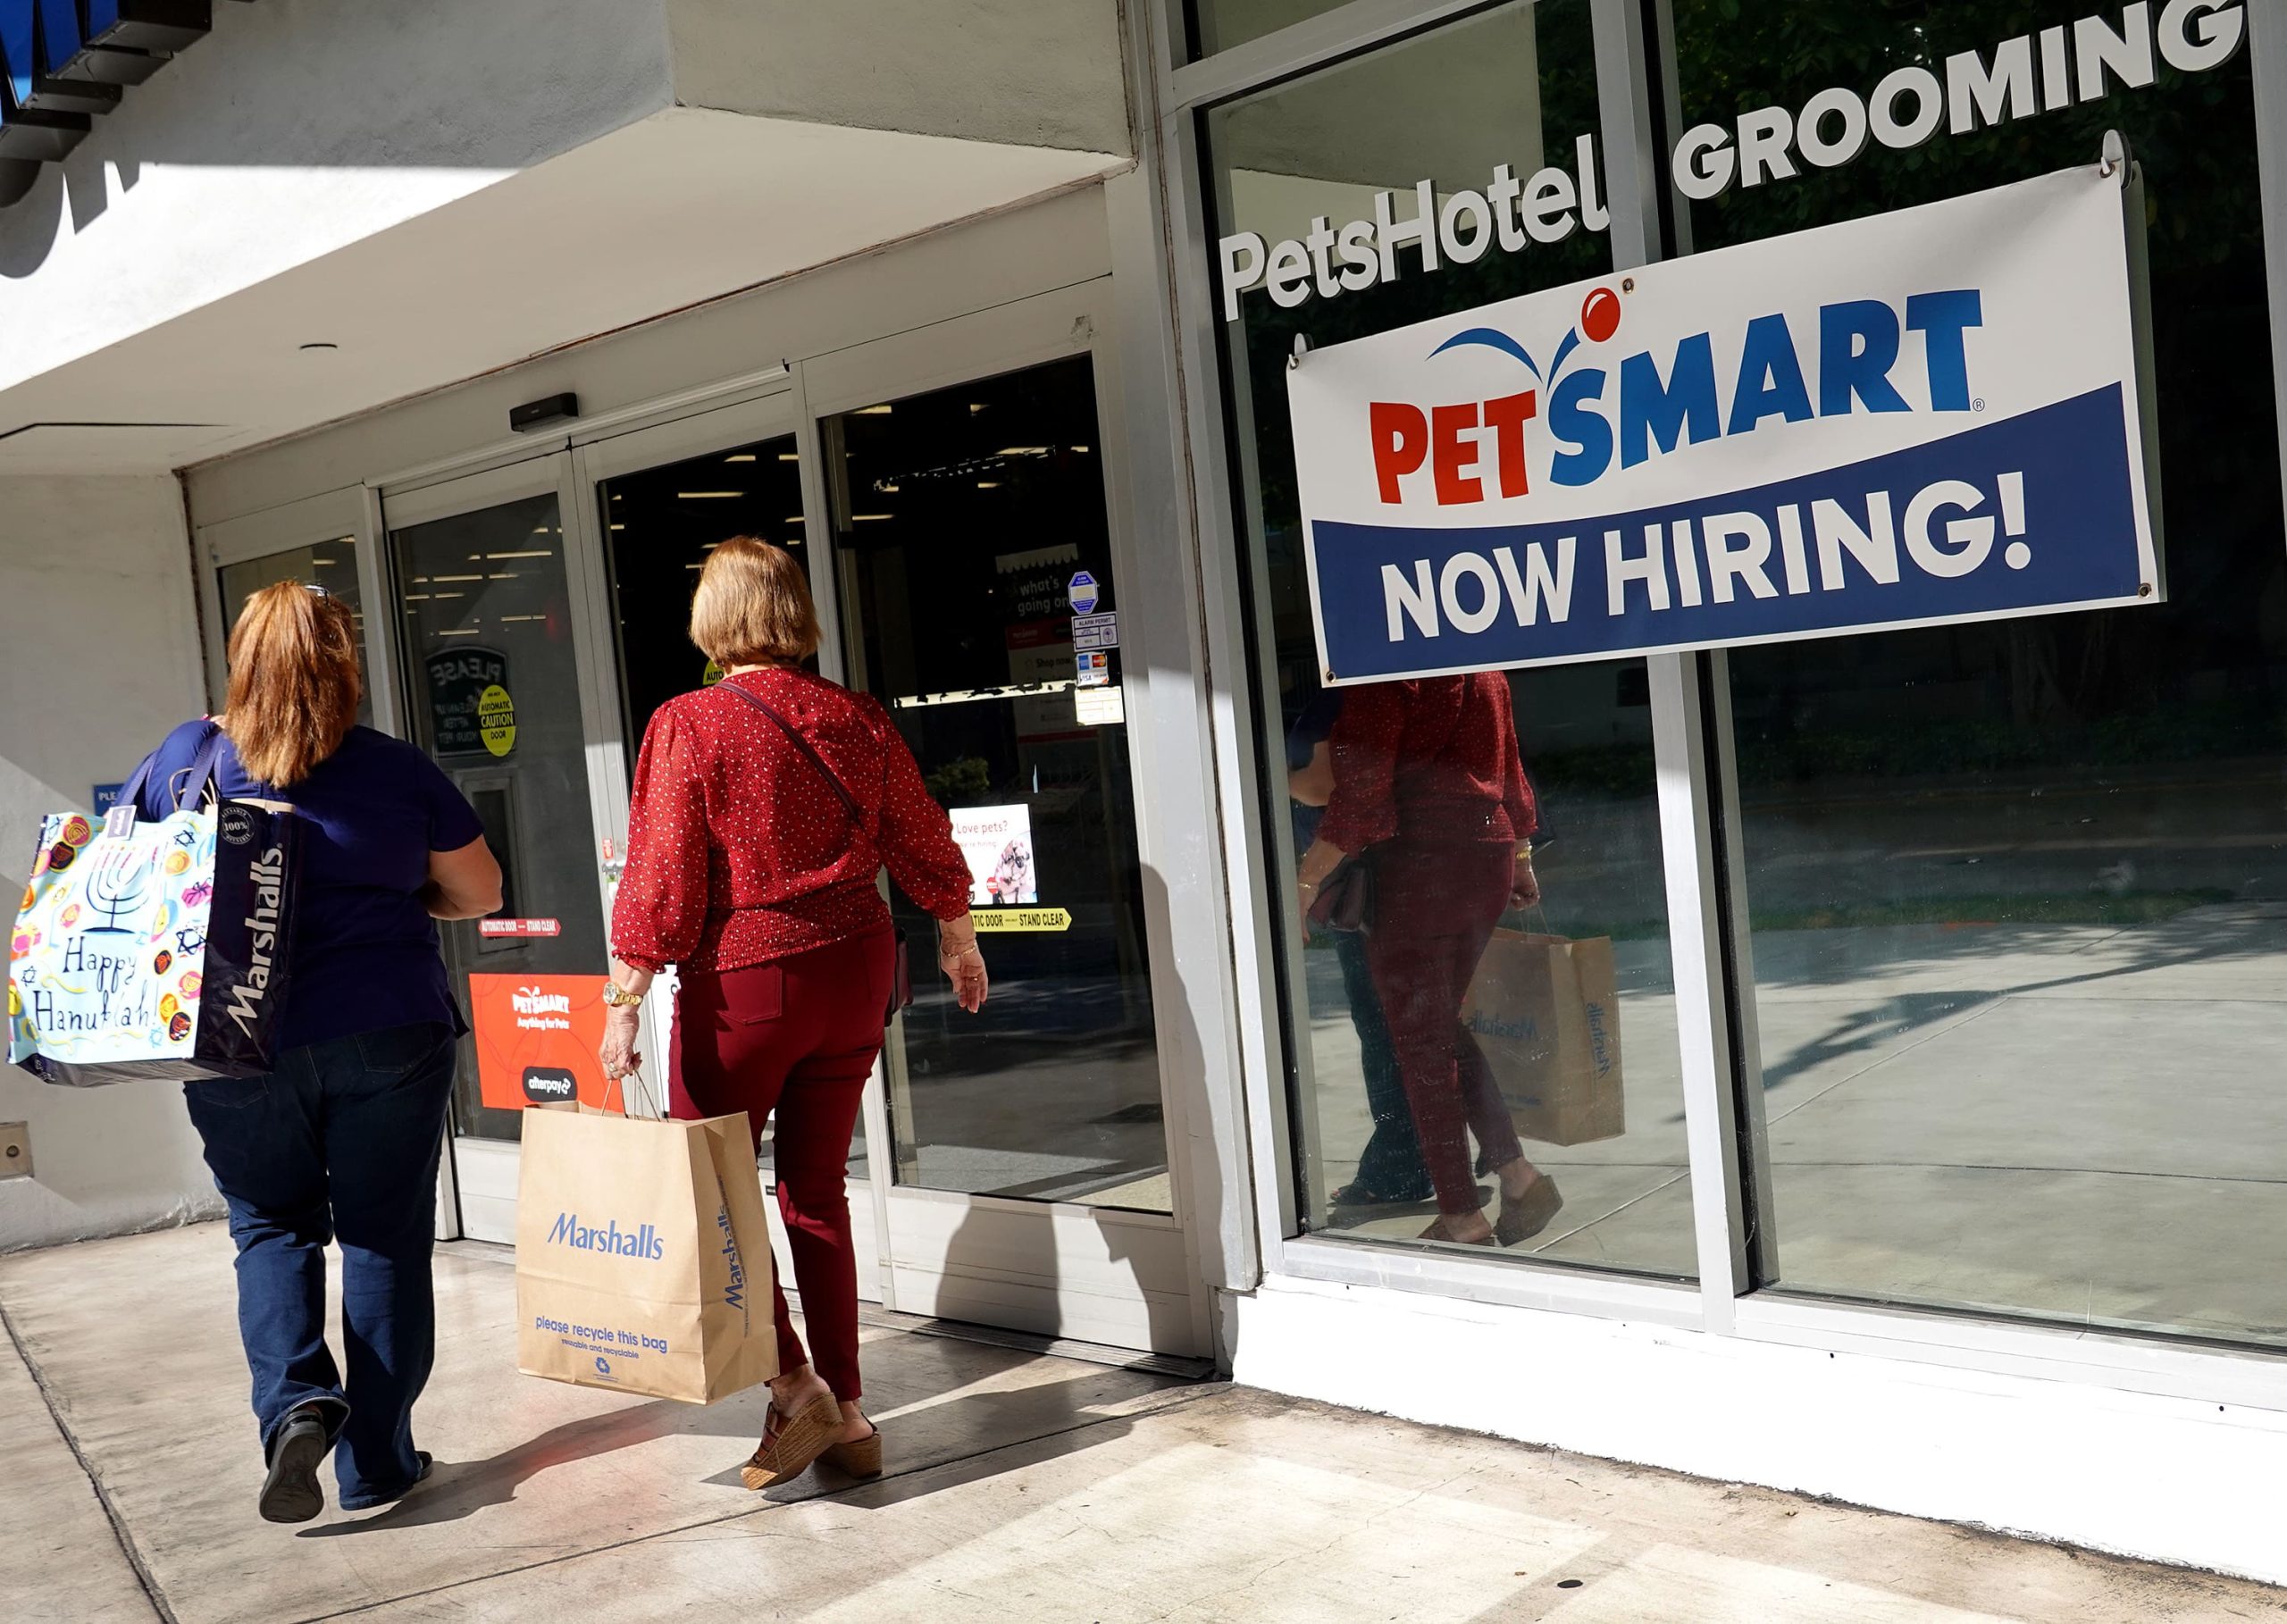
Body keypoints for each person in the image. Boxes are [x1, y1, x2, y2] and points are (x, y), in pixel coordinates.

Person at [599, 536, 988, 1492]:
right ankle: (849, 1412)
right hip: (857, 966)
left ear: (711, 619)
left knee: (711, 1193)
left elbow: (664, 876)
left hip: (748, 978)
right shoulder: (856, 716)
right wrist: (956, 932)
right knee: (814, 1192)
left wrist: (625, 995)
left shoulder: (689, 722)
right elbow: (919, 829)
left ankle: (794, 1387)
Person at [130, 582, 503, 1524]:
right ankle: (378, 1462)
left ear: (241, 659)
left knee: (270, 1225)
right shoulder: (392, 769)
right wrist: (390, 901)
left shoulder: (190, 757)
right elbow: (479, 894)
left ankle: (296, 1405)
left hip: (233, 1039)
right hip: (386, 1026)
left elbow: (135, 883)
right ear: (345, 663)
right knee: (383, 1237)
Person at [1294, 673, 1561, 1247]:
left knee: (1420, 1043)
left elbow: (1362, 797)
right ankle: (1517, 1177)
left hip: (1419, 862)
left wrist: (1305, 880)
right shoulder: (1479, 664)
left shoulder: (1380, 666)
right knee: (1438, 1030)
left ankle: (1462, 1216)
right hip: (1484, 852)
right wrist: (1519, 853)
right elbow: (1510, 767)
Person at [1286, 690, 1437, 1212]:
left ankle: (1399, 1168)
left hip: (1372, 882)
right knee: (1427, 1024)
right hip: (1423, 871)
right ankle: (1449, 1154)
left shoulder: (1357, 697)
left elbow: (1331, 787)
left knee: (1383, 1028)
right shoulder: (1440, 685)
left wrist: (1265, 779)